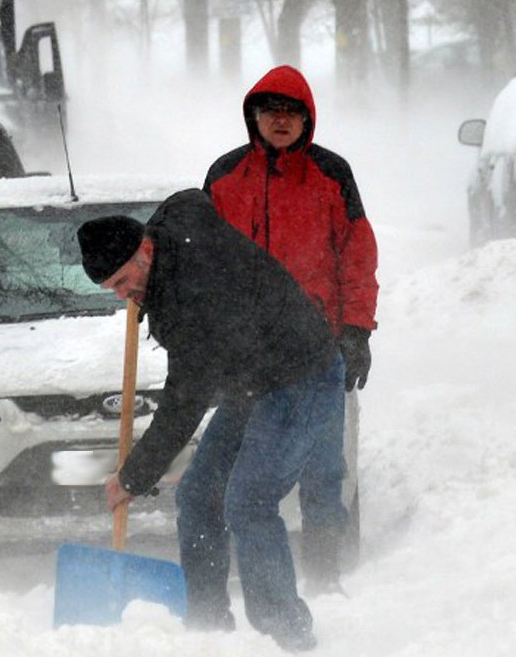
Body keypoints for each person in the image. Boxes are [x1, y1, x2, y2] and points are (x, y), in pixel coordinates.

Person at [77, 189, 342, 652]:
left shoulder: (194, 297)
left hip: (302, 376)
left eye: (123, 282)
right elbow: (189, 198)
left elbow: (185, 401)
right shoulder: (169, 232)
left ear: (144, 251)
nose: (123, 296)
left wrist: (133, 477)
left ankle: (289, 636)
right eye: (113, 290)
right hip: (254, 381)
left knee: (248, 501)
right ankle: (206, 629)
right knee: (200, 494)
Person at [202, 65, 379, 595]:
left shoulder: (331, 174)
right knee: (231, 473)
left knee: (322, 471)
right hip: (247, 358)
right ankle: (227, 578)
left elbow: (357, 257)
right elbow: (205, 263)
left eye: (291, 112)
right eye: (270, 111)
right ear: (253, 117)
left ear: (307, 119)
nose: (280, 121)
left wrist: (356, 332)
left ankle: (326, 579)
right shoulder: (225, 177)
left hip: (318, 355)